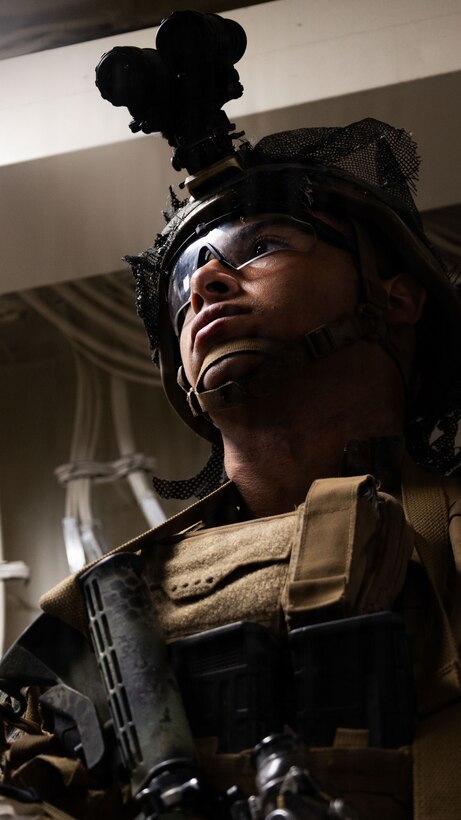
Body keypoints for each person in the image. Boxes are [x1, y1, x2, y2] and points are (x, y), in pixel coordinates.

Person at [1, 21, 461, 820]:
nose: (207, 284)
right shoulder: (100, 617)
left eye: (261, 249)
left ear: (394, 298)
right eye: (184, 285)